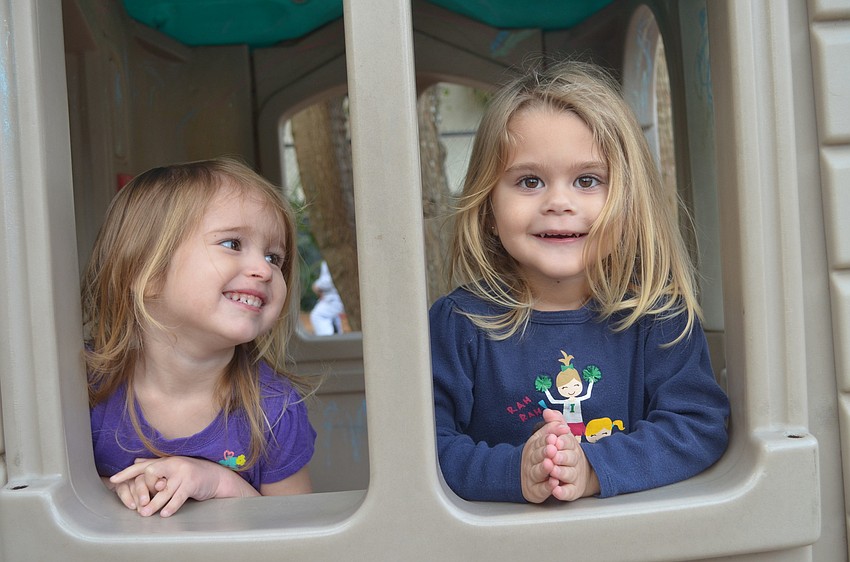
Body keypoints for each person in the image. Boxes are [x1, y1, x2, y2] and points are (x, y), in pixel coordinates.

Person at [429, 60, 730, 504]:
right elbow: (425, 448)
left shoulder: (659, 318)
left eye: (587, 180)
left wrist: (593, 468)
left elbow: (697, 425)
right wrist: (516, 472)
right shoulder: (458, 324)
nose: (558, 202)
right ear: (489, 208)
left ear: (628, 203)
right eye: (529, 181)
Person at [83, 157, 318, 517]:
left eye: (274, 257)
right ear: (147, 272)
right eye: (233, 244)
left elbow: (298, 529)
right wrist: (117, 489)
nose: (264, 269)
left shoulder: (275, 409)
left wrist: (222, 484)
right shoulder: (85, 388)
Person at [309, 261, 345, 335]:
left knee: (318, 315)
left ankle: (328, 340)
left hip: (337, 298)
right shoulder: (327, 260)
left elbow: (330, 280)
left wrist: (317, 285)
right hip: (331, 297)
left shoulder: (334, 258)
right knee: (333, 318)